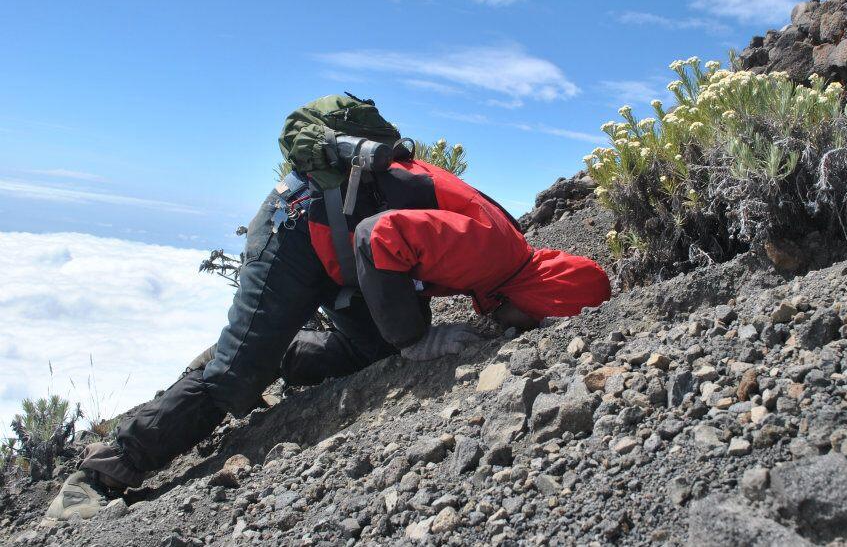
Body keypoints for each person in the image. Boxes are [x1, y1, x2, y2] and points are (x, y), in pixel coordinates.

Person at [44, 95, 611, 522]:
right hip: (296, 234)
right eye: (536, 319)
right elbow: (378, 237)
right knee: (235, 377)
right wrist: (419, 342)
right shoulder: (489, 254)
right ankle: (109, 470)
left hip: (335, 244)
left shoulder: (504, 252)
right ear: (543, 296)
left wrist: (400, 335)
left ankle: (283, 355)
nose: (518, 327)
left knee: (369, 353)